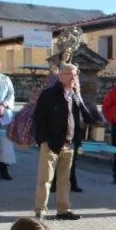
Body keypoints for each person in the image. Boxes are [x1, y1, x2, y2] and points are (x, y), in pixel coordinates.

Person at [33, 64, 93, 221]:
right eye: (69, 74)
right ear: (60, 76)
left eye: (75, 74)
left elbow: (82, 117)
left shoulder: (74, 95)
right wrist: (43, 140)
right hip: (51, 143)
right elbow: (38, 119)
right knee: (45, 179)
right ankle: (41, 210)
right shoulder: (48, 94)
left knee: (65, 180)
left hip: (69, 143)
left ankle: (63, 210)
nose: (73, 77)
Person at [51, 77, 103, 195]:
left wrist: (95, 121)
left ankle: (72, 184)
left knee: (72, 160)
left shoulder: (75, 95)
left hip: (75, 133)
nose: (75, 83)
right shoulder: (57, 94)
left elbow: (83, 111)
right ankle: (54, 185)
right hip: (60, 132)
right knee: (58, 159)